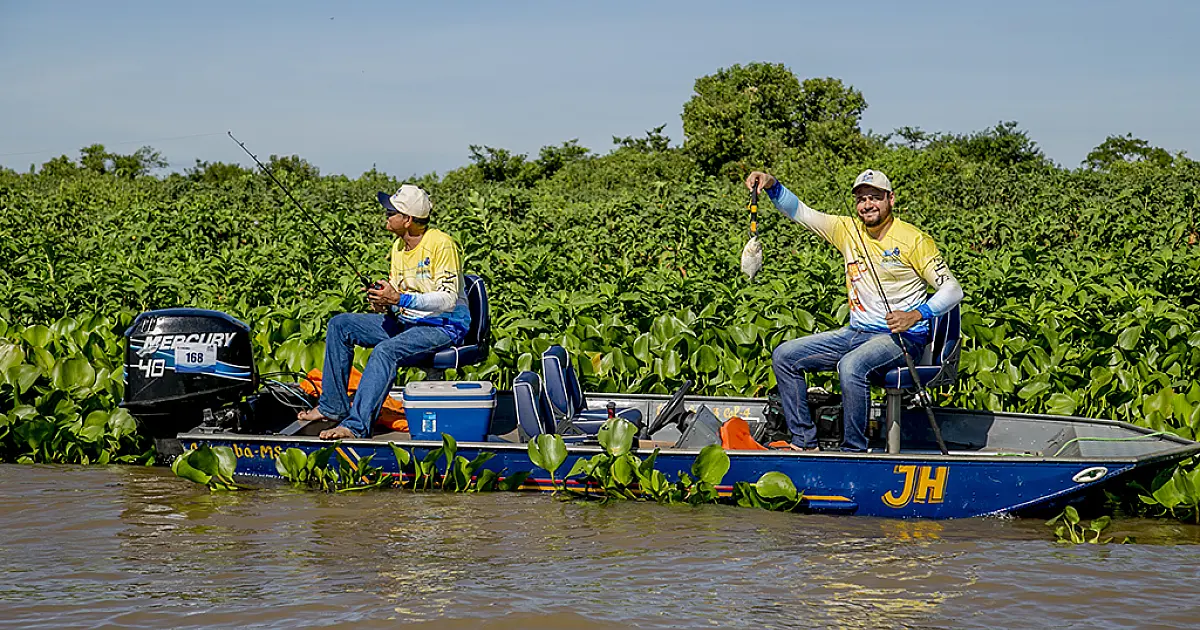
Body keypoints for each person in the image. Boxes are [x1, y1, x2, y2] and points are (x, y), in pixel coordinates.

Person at [745, 169, 963, 452]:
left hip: (903, 339)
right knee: (785, 356)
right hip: (856, 332)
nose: (867, 204)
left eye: (875, 197)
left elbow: (953, 290)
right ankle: (803, 441)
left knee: (851, 366)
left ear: (890, 199)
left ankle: (854, 449)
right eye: (861, 199)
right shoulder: (846, 229)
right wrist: (771, 184)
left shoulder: (914, 240)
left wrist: (915, 315)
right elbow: (800, 211)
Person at [297, 184, 472, 440]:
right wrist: (384, 301)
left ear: (408, 220)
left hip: (443, 326)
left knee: (385, 351)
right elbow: (398, 293)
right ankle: (332, 407)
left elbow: (447, 299)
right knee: (340, 324)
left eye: (391, 212)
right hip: (407, 322)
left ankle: (355, 427)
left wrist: (399, 298)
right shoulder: (398, 247)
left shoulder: (442, 244)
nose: (386, 216)